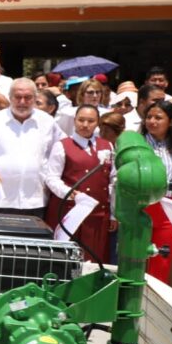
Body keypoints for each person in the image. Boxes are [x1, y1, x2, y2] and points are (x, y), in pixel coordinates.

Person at [0, 78, 58, 216]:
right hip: (0, 198)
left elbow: (57, 154)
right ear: (10, 97)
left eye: (27, 97)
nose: (22, 102)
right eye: (18, 97)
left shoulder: (48, 122)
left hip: (35, 199)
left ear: (35, 98)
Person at [43, 105, 115, 261]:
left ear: (97, 123)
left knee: (93, 258)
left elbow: (112, 181)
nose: (85, 125)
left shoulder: (107, 146)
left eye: (90, 121)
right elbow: (51, 178)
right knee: (64, 258)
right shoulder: (62, 145)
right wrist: (68, 193)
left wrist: (113, 214)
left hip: (97, 214)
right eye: (81, 120)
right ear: (74, 121)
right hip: (69, 212)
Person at [141, 99, 172, 284]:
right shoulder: (137, 144)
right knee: (138, 258)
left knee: (161, 261)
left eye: (158, 117)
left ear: (171, 122)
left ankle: (153, 309)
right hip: (142, 207)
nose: (152, 121)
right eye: (149, 117)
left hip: (170, 210)